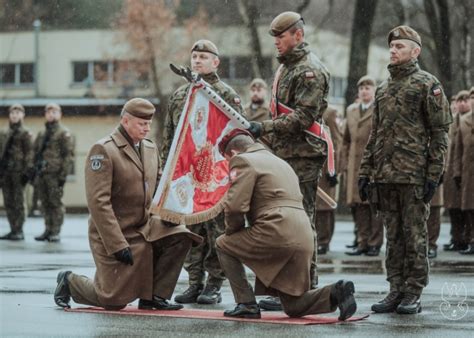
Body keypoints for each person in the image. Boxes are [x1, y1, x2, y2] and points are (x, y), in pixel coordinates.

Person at [53, 98, 201, 310]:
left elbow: (160, 187)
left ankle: (155, 296)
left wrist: (173, 212)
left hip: (144, 226)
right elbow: (98, 203)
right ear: (125, 121)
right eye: (141, 123)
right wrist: (117, 244)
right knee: (112, 301)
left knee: (181, 235)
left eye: (148, 123)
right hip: (114, 232)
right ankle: (69, 281)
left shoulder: (149, 148)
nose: (147, 128)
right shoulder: (104, 150)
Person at [215, 129, 356, 320]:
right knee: (293, 306)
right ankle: (335, 292)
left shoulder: (243, 161)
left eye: (226, 159)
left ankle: (246, 303)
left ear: (232, 153)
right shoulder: (281, 162)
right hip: (303, 234)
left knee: (223, 244)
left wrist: (233, 233)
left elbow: (235, 208)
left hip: (275, 231)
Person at [359, 26, 452, 314]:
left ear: (416, 51)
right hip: (386, 176)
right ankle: (395, 288)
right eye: (392, 46)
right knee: (394, 236)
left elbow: (440, 133)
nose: (393, 50)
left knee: (415, 235)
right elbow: (375, 134)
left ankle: (413, 290)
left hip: (414, 175)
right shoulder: (384, 88)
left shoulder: (428, 84)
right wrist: (365, 171)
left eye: (400, 46)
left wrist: (434, 174)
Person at [246, 11, 331, 310]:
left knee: (302, 222)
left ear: (298, 35)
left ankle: (307, 285)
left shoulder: (309, 71)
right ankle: (279, 286)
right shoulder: (284, 70)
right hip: (283, 155)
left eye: (281, 37)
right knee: (278, 221)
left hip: (303, 156)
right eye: (275, 38)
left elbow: (302, 118)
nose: (277, 43)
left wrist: (263, 128)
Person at [162, 40, 244, 305]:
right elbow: (170, 138)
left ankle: (214, 284)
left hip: (216, 174)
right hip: (187, 175)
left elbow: (237, 137)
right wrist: (166, 173)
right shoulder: (179, 95)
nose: (197, 61)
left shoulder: (225, 95)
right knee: (192, 231)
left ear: (215, 62)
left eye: (203, 57)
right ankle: (193, 283)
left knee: (217, 231)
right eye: (194, 56)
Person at [341, 75, 383, 257]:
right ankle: (362, 241)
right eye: (362, 88)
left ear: (374, 91)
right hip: (354, 165)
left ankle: (374, 243)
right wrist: (344, 164)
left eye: (368, 88)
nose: (364, 91)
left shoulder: (379, 109)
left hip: (372, 163)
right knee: (358, 206)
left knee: (373, 204)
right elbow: (345, 140)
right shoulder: (351, 110)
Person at [32, 103, 74, 242]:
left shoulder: (63, 132)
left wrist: (63, 175)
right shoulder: (42, 133)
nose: (51, 114)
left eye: (54, 112)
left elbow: (68, 156)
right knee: (44, 203)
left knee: (55, 202)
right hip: (42, 173)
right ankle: (48, 229)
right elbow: (36, 153)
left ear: (60, 114)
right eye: (49, 112)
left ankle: (55, 231)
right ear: (45, 114)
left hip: (55, 174)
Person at [0, 104, 34, 240]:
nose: (14, 115)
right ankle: (13, 229)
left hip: (19, 172)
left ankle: (19, 230)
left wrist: (27, 172)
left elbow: (30, 153)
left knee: (19, 202)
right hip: (5, 172)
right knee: (8, 202)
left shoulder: (25, 133)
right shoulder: (3, 132)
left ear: (22, 115)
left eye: (18, 113)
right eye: (12, 113)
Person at [443, 94, 468, 251]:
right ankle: (456, 238)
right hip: (452, 168)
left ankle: (466, 238)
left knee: (465, 208)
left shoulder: (467, 121)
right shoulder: (452, 121)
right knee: (453, 208)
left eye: (465, 101)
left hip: (465, 169)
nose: (461, 104)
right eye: (459, 101)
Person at [315, 107, 341, 254]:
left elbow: (336, 140)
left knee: (324, 206)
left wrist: (334, 168)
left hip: (327, 165)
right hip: (311, 163)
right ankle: (317, 239)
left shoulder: (330, 112)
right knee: (314, 206)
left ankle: (324, 241)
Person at [453, 89, 473, 255]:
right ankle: (470, 241)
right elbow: (458, 150)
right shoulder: (465, 121)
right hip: (468, 173)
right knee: (469, 210)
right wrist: (457, 172)